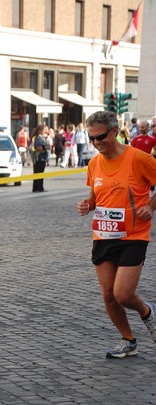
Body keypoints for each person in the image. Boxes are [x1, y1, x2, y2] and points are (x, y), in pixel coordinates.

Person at [77, 110, 156, 358]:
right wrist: (87, 205)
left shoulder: (138, 159)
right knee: (109, 295)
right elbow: (94, 197)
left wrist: (150, 206)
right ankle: (128, 340)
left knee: (123, 293)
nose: (96, 143)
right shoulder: (93, 163)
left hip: (134, 235)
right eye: (92, 139)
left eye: (100, 137)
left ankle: (147, 312)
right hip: (104, 235)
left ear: (114, 132)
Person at [30, 124, 48, 193]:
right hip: (40, 158)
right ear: (40, 130)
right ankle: (40, 187)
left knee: (37, 173)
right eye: (44, 129)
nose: (46, 130)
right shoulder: (39, 138)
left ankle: (36, 187)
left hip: (37, 158)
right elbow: (39, 147)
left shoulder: (38, 137)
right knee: (40, 173)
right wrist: (45, 149)